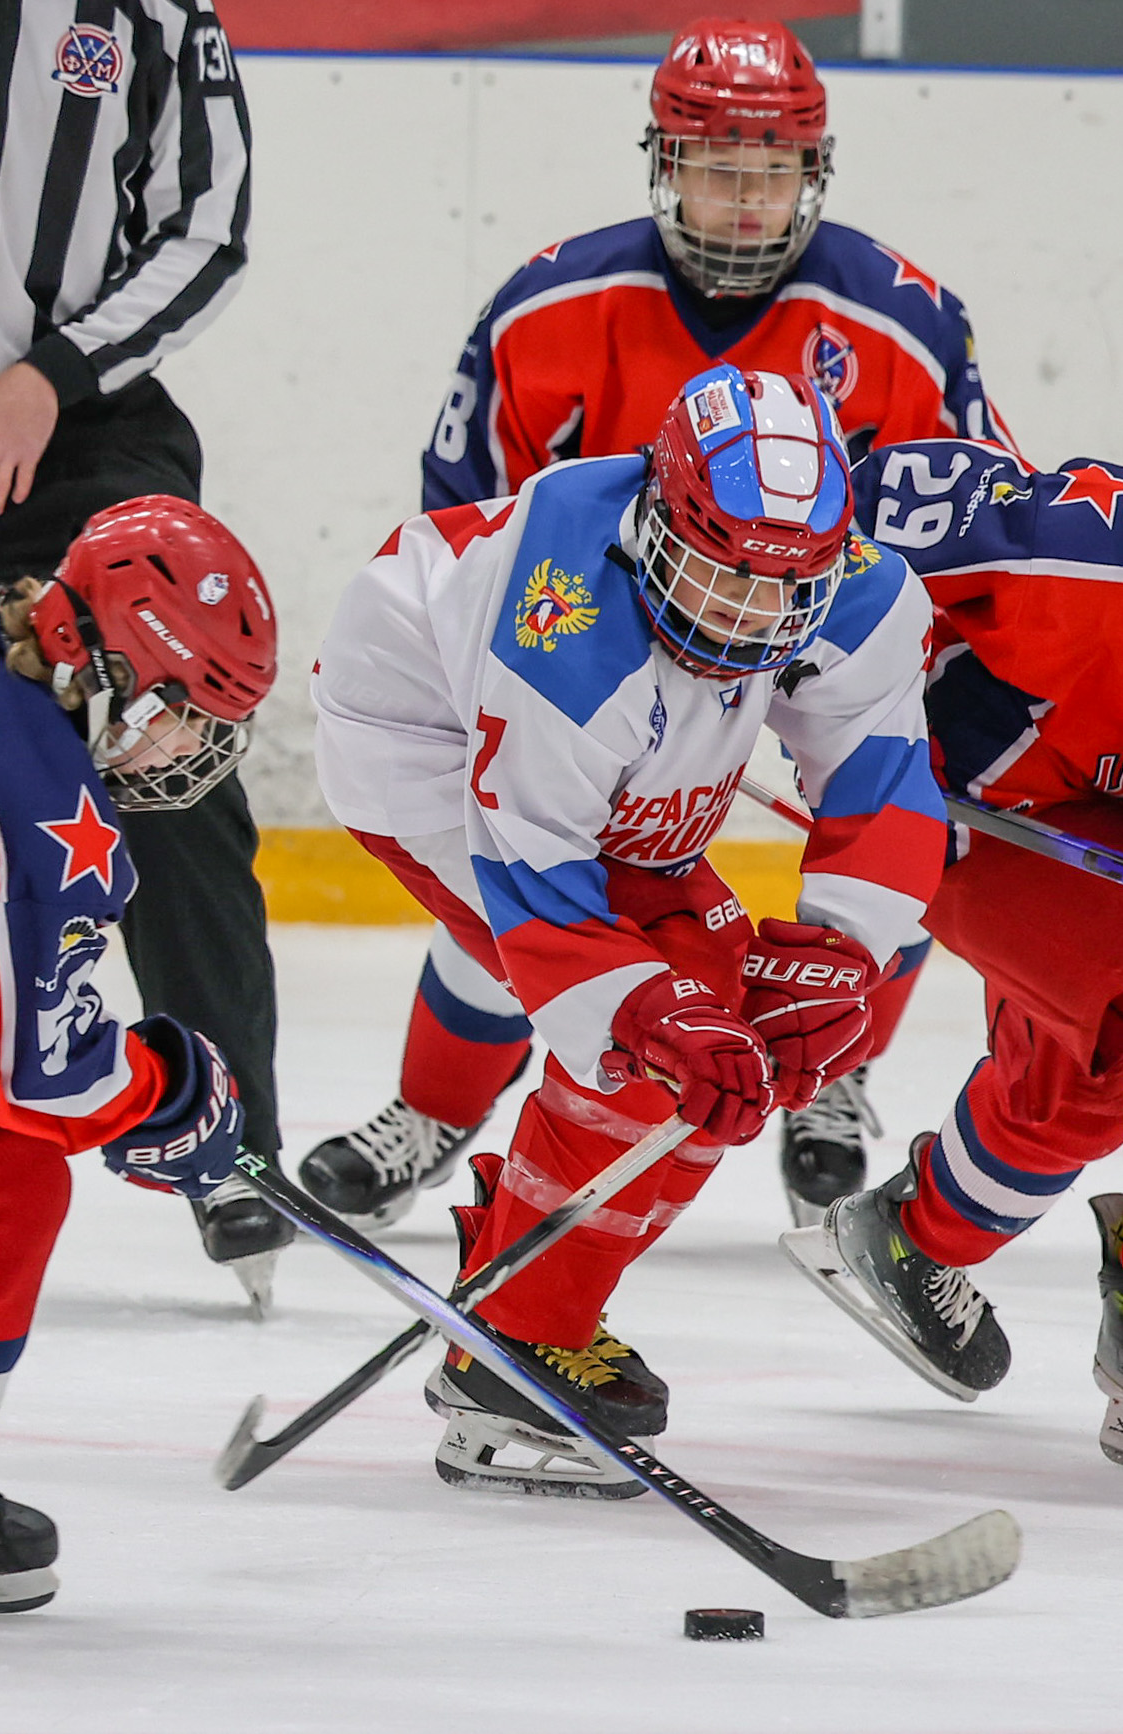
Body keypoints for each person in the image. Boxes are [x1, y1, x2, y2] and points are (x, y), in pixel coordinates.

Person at [298, 15, 1015, 1235]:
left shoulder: (903, 322)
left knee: (906, 823)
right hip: (594, 643)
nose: (745, 203)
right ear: (662, 162)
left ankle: (829, 1066)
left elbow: (964, 520)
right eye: (716, 169)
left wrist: (913, 701)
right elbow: (473, 518)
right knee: (521, 846)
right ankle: (435, 1110)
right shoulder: (550, 306)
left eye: (773, 173)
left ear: (815, 174)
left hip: (813, 626)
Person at [312, 364, 947, 1493]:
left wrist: (843, 954)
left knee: (731, 1051)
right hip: (430, 747)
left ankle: (524, 1305)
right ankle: (512, 1343)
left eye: (782, 587)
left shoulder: (851, 586)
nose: (749, 615)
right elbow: (536, 862)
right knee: (655, 1052)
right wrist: (649, 1011)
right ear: (658, 520)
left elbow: (883, 773)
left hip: (592, 771)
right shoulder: (562, 628)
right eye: (722, 574)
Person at [0, 2, 291, 1296]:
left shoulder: (153, 11)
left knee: (174, 748)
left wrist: (53, 376)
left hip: (82, 427)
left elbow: (207, 226)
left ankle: (233, 1145)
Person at [0, 495, 277, 1611]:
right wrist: (178, 1096)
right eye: (182, 713)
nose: (190, 749)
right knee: (2, 1159)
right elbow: (50, 1082)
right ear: (114, 674)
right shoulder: (32, 816)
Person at [782, 435, 1123, 1456]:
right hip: (967, 799)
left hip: (1087, 810)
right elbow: (848, 513)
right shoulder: (1084, 557)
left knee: (1086, 1074)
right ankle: (920, 1235)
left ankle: (915, 1238)